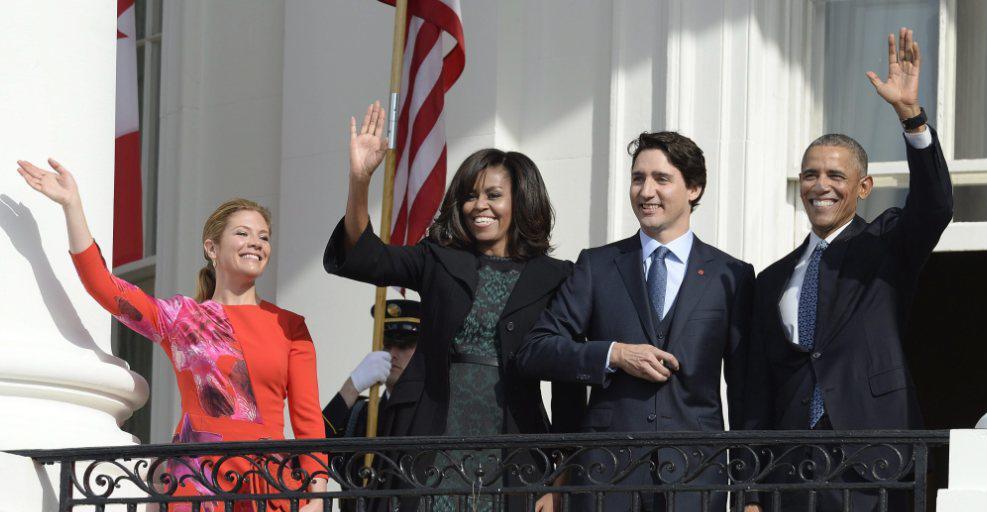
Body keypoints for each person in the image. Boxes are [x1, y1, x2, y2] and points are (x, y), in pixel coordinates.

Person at [15, 160, 326, 512]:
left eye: (264, 236)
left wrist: (316, 494)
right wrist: (72, 206)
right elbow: (104, 287)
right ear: (212, 248)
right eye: (242, 233)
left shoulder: (289, 325)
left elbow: (308, 421)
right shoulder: (182, 317)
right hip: (198, 480)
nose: (256, 242)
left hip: (269, 483)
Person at [324, 103, 586, 512]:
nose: (478, 205)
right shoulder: (439, 258)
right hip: (433, 440)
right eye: (469, 196)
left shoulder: (557, 277)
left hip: (514, 447)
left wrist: (560, 480)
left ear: (522, 199)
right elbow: (364, 255)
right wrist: (360, 180)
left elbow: (569, 387)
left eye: (493, 195)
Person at [743, 28, 954, 512]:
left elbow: (935, 205)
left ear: (863, 187)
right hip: (790, 471)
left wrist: (910, 116)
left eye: (836, 175)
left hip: (875, 464)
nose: (821, 185)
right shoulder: (771, 280)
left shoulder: (886, 247)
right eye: (811, 174)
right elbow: (757, 392)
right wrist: (752, 488)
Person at [516, 130, 756, 512]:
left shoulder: (732, 275)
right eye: (637, 178)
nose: (646, 191)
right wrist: (613, 354)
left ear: (693, 188)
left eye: (661, 179)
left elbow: (746, 390)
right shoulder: (596, 266)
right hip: (606, 476)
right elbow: (536, 350)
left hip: (696, 478)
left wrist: (749, 493)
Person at [322, 299, 423, 439]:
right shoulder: (360, 414)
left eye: (403, 346)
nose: (392, 355)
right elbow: (306, 454)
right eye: (387, 345)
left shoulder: (437, 413)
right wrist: (351, 388)